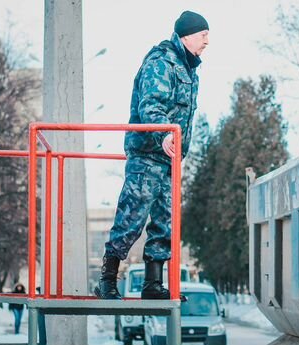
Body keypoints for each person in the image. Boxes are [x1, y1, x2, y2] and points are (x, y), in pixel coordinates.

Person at [94, 11, 209, 300]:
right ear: (186, 35)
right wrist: (165, 135)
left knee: (164, 221)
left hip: (170, 158)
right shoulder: (162, 62)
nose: (207, 41)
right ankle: (107, 281)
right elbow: (151, 105)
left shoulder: (188, 68)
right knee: (132, 215)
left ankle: (153, 284)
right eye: (203, 34)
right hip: (148, 154)